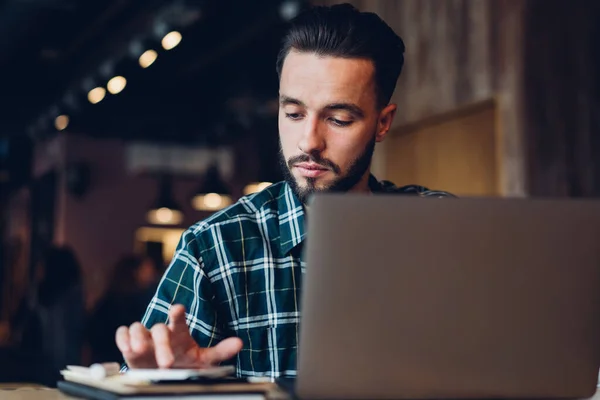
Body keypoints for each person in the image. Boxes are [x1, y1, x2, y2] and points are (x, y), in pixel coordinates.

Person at [115, 3, 454, 378]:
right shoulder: (214, 250)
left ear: (383, 122)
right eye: (293, 114)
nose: (308, 141)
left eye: (338, 119)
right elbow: (146, 374)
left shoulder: (439, 227)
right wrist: (160, 384)